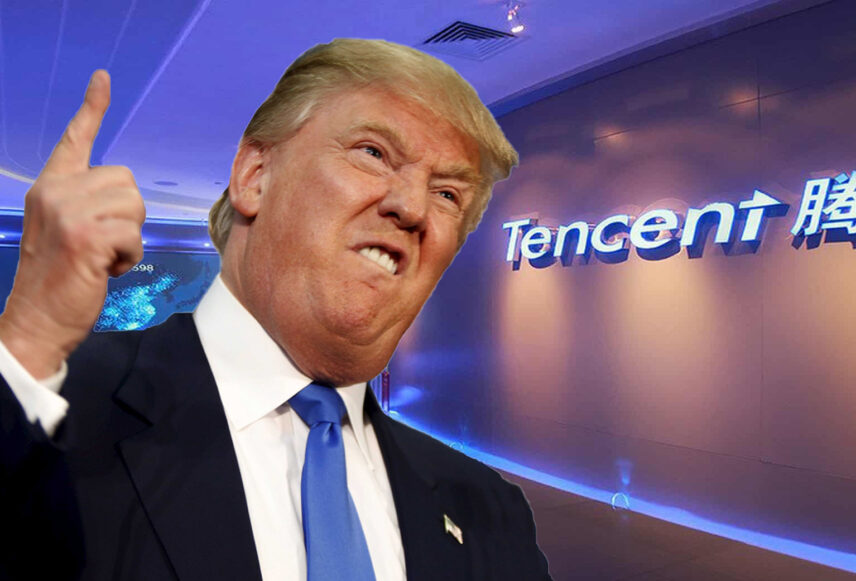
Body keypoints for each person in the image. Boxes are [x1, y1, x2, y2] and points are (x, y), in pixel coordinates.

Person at [0, 39, 550, 580]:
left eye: (448, 194)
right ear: (254, 176)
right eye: (373, 153)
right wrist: (29, 338)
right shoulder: (50, 409)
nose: (411, 208)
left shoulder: (490, 511)